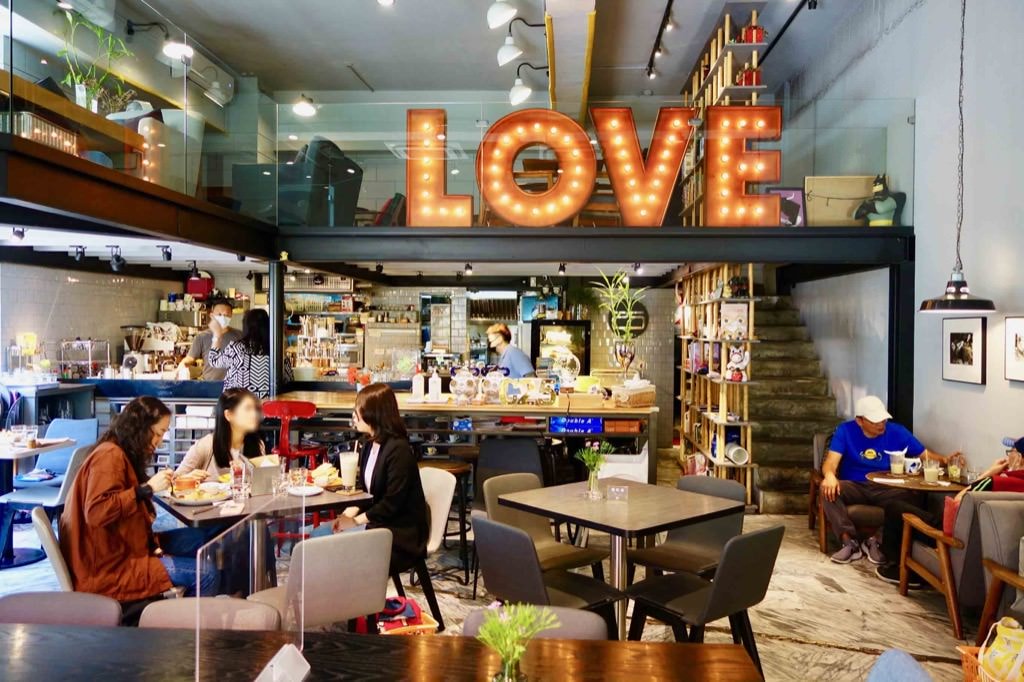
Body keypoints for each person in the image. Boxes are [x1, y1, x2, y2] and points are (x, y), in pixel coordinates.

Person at [59, 396, 217, 605]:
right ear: (140, 428)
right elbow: (97, 511)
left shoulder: (118, 451)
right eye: (158, 433)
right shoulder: (109, 456)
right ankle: (181, 622)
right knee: (207, 574)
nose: (160, 440)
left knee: (205, 539)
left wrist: (177, 481)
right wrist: (147, 489)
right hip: (109, 568)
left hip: (123, 547)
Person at [820, 395, 959, 566]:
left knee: (913, 497)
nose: (881, 424)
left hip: (886, 487)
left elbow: (925, 455)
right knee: (827, 489)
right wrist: (829, 476)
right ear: (860, 421)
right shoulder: (845, 431)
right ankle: (849, 541)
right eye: (875, 421)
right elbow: (830, 463)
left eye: (883, 420)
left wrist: (945, 460)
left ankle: (876, 540)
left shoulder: (897, 432)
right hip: (855, 485)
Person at [874, 436, 1024, 586]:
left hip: (951, 539)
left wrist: (990, 473)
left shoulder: (995, 481)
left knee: (895, 508)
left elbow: (959, 503)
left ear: (1019, 458)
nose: (1007, 456)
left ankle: (899, 570)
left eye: (1011, 451)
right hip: (989, 551)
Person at [325, 383, 429, 575]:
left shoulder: (398, 450)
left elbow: (391, 504)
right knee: (320, 536)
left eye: (358, 409)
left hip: (400, 534)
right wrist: (347, 515)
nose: (354, 415)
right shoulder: (369, 445)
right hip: (379, 523)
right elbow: (367, 493)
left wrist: (355, 522)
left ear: (373, 414)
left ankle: (352, 592)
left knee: (329, 549)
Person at [175, 387, 265, 479]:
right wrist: (188, 478)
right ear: (229, 415)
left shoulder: (258, 445)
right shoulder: (206, 445)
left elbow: (262, 482)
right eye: (248, 409)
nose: (254, 414)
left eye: (255, 409)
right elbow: (174, 480)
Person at [207, 308, 291, 399]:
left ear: (245, 326)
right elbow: (289, 380)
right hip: (269, 405)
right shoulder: (276, 351)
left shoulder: (237, 348)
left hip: (240, 404)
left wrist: (217, 335)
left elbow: (213, 360)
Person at [178, 299, 241, 381]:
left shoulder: (240, 336)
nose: (223, 317)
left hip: (233, 385)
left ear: (231, 316)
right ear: (212, 315)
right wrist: (182, 364)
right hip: (210, 384)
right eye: (219, 314)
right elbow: (190, 358)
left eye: (226, 315)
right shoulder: (202, 337)